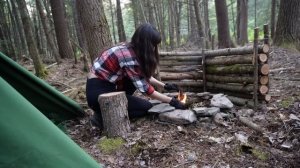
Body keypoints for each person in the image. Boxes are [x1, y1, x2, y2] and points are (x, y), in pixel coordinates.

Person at [86, 23, 185, 129]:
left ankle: (108, 110)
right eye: (153, 45)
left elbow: (141, 75)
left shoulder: (131, 48)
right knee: (145, 107)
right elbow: (146, 90)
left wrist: (164, 86)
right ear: (146, 43)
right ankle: (100, 118)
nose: (154, 48)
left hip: (108, 86)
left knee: (131, 82)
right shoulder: (128, 56)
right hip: (97, 95)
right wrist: (171, 101)